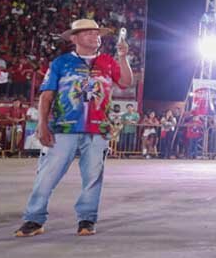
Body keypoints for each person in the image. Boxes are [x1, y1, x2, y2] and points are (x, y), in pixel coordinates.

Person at [14, 19, 133, 237]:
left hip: (98, 129)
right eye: (88, 33)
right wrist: (42, 124)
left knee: (93, 177)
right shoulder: (61, 63)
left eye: (97, 33)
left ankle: (87, 220)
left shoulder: (108, 61)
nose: (94, 36)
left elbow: (126, 82)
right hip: (64, 128)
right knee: (47, 175)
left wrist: (123, 57)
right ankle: (34, 219)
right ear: (74, 38)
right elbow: (47, 95)